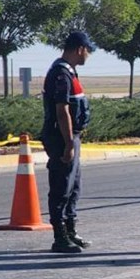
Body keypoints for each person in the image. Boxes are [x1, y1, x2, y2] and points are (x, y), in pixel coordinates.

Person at [41, 31, 96, 254]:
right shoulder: (61, 74)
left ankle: (71, 230)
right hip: (61, 138)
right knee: (61, 187)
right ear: (80, 49)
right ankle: (59, 237)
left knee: (73, 186)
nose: (88, 56)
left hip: (71, 137)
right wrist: (68, 144)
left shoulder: (70, 72)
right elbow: (62, 110)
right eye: (88, 51)